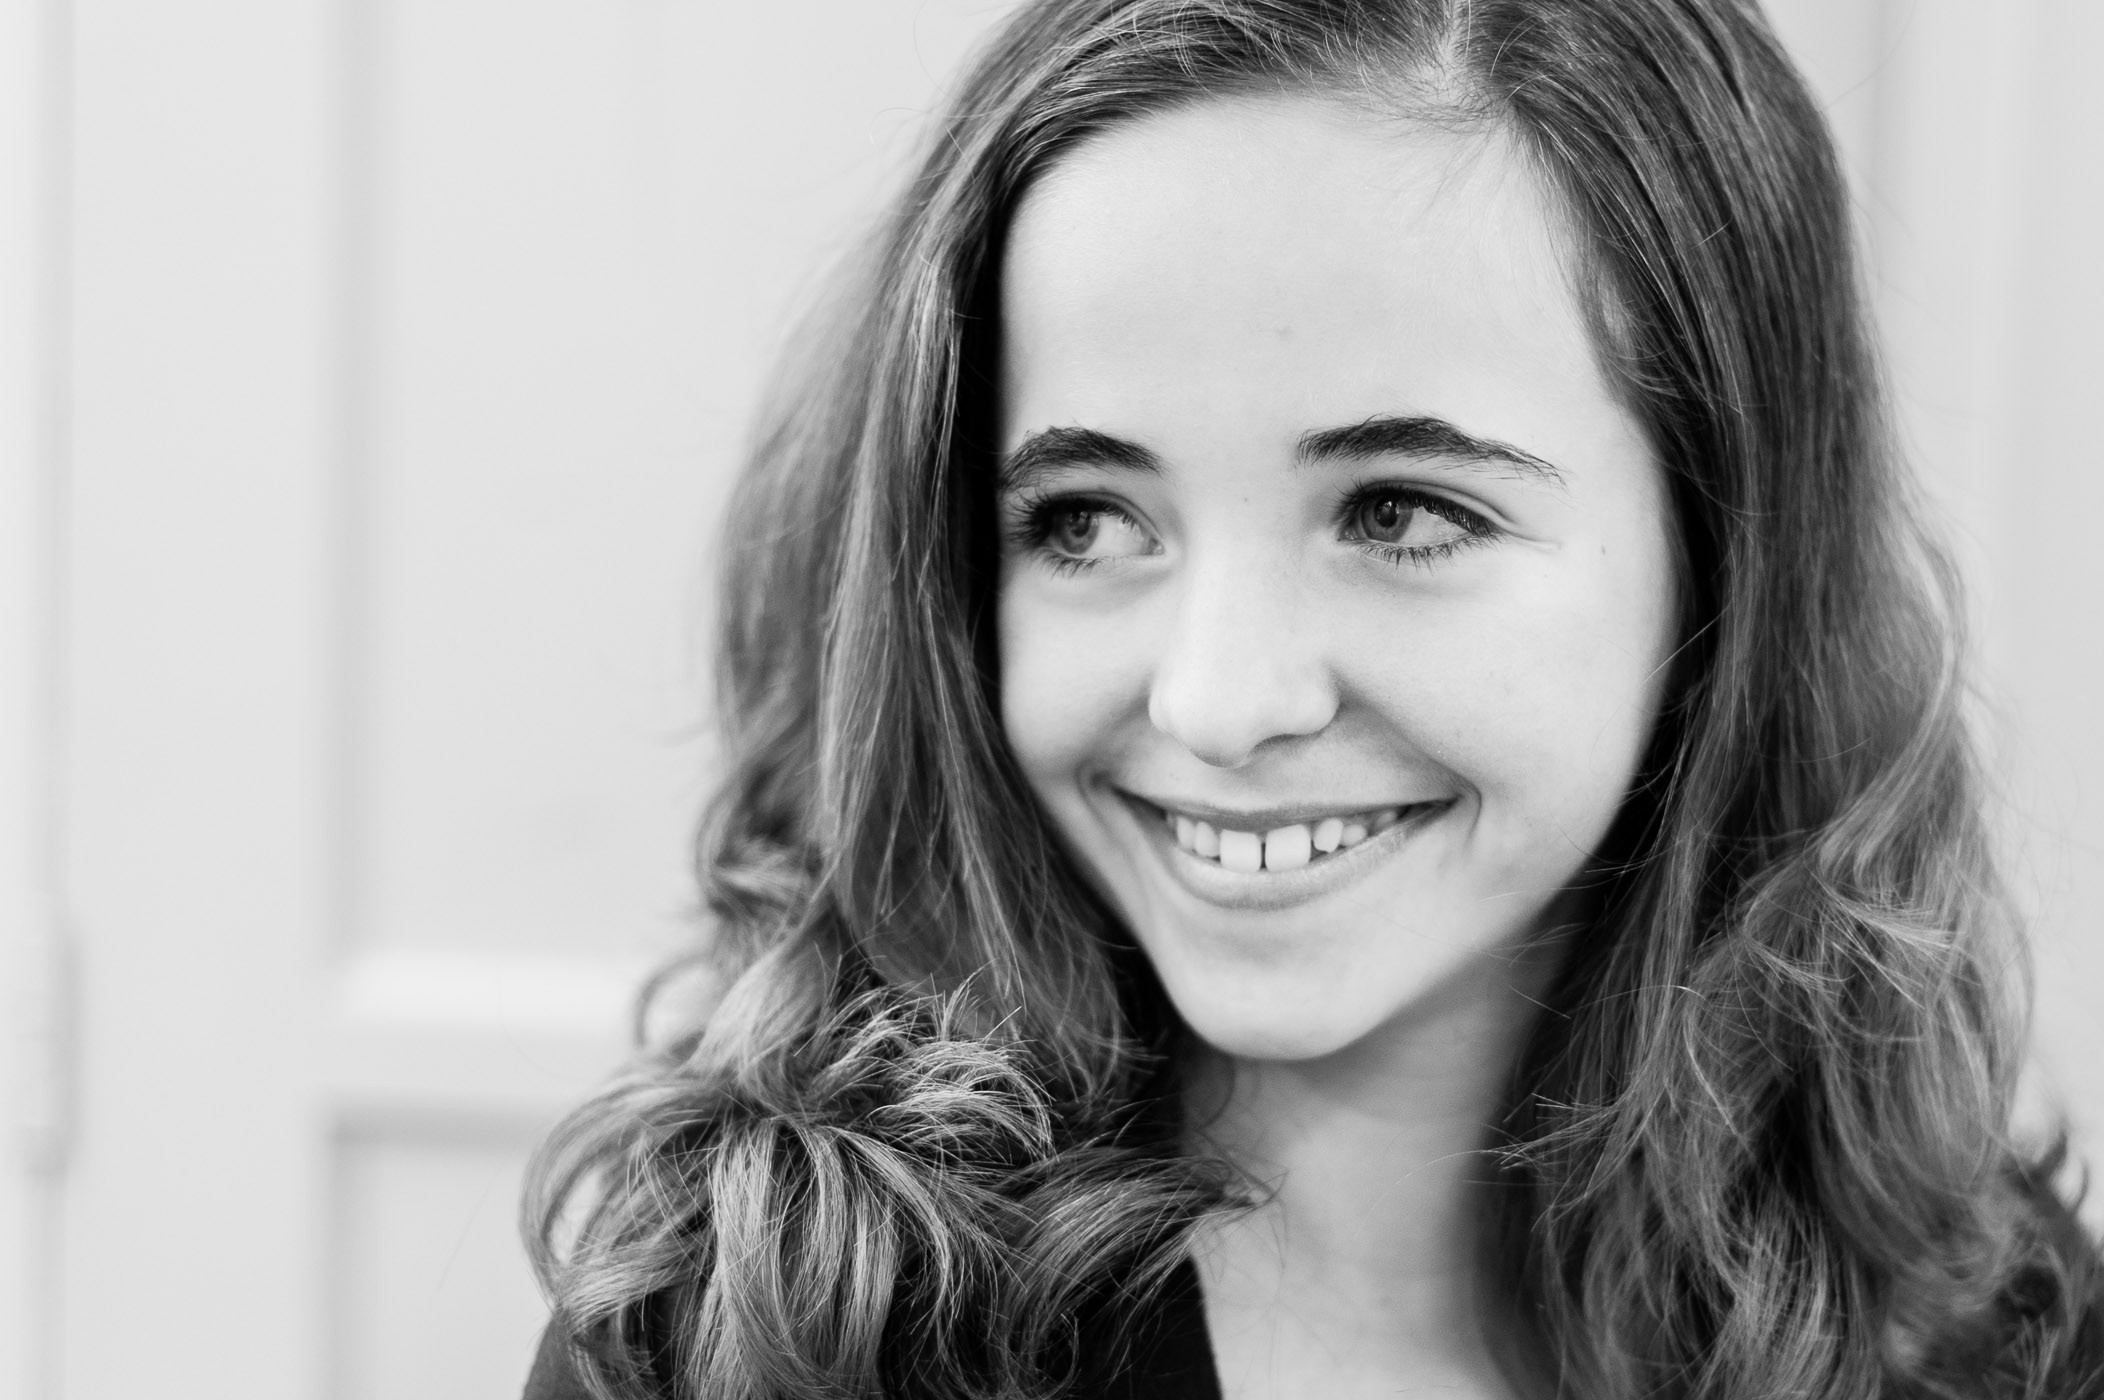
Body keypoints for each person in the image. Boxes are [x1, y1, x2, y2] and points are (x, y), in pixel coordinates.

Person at [520, 1, 2104, 1396]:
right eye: (1086, 522)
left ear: (1725, 556)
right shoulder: (768, 1338)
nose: (1219, 702)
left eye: (1400, 513)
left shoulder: (1989, 1334)